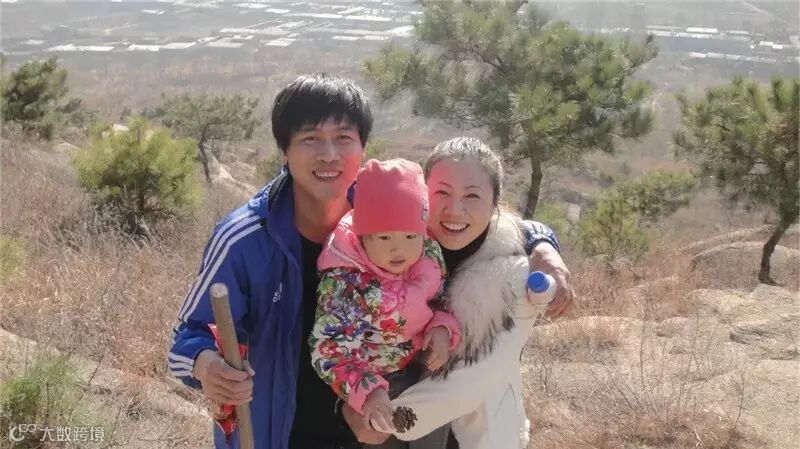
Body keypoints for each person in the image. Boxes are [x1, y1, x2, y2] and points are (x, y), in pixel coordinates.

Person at [167, 73, 573, 449]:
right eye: (310, 139)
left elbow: (476, 222)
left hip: (379, 429)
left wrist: (542, 244)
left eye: (343, 138)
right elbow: (186, 337)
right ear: (285, 149)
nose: (329, 154)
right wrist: (206, 365)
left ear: (363, 147)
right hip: (284, 433)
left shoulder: (389, 208)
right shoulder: (246, 239)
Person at [385, 137, 577, 449]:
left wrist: (382, 419)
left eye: (472, 196)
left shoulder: (512, 277)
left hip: (472, 433)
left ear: (495, 203)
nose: (454, 210)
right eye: (441, 192)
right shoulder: (394, 249)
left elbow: (470, 382)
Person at [309, 158, 460, 439]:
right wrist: (369, 391)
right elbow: (329, 349)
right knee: (381, 434)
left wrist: (442, 326)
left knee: (437, 420)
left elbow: (442, 299)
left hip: (418, 365)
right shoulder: (348, 283)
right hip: (371, 381)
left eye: (410, 236)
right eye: (385, 238)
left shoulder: (428, 255)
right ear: (362, 236)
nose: (399, 250)